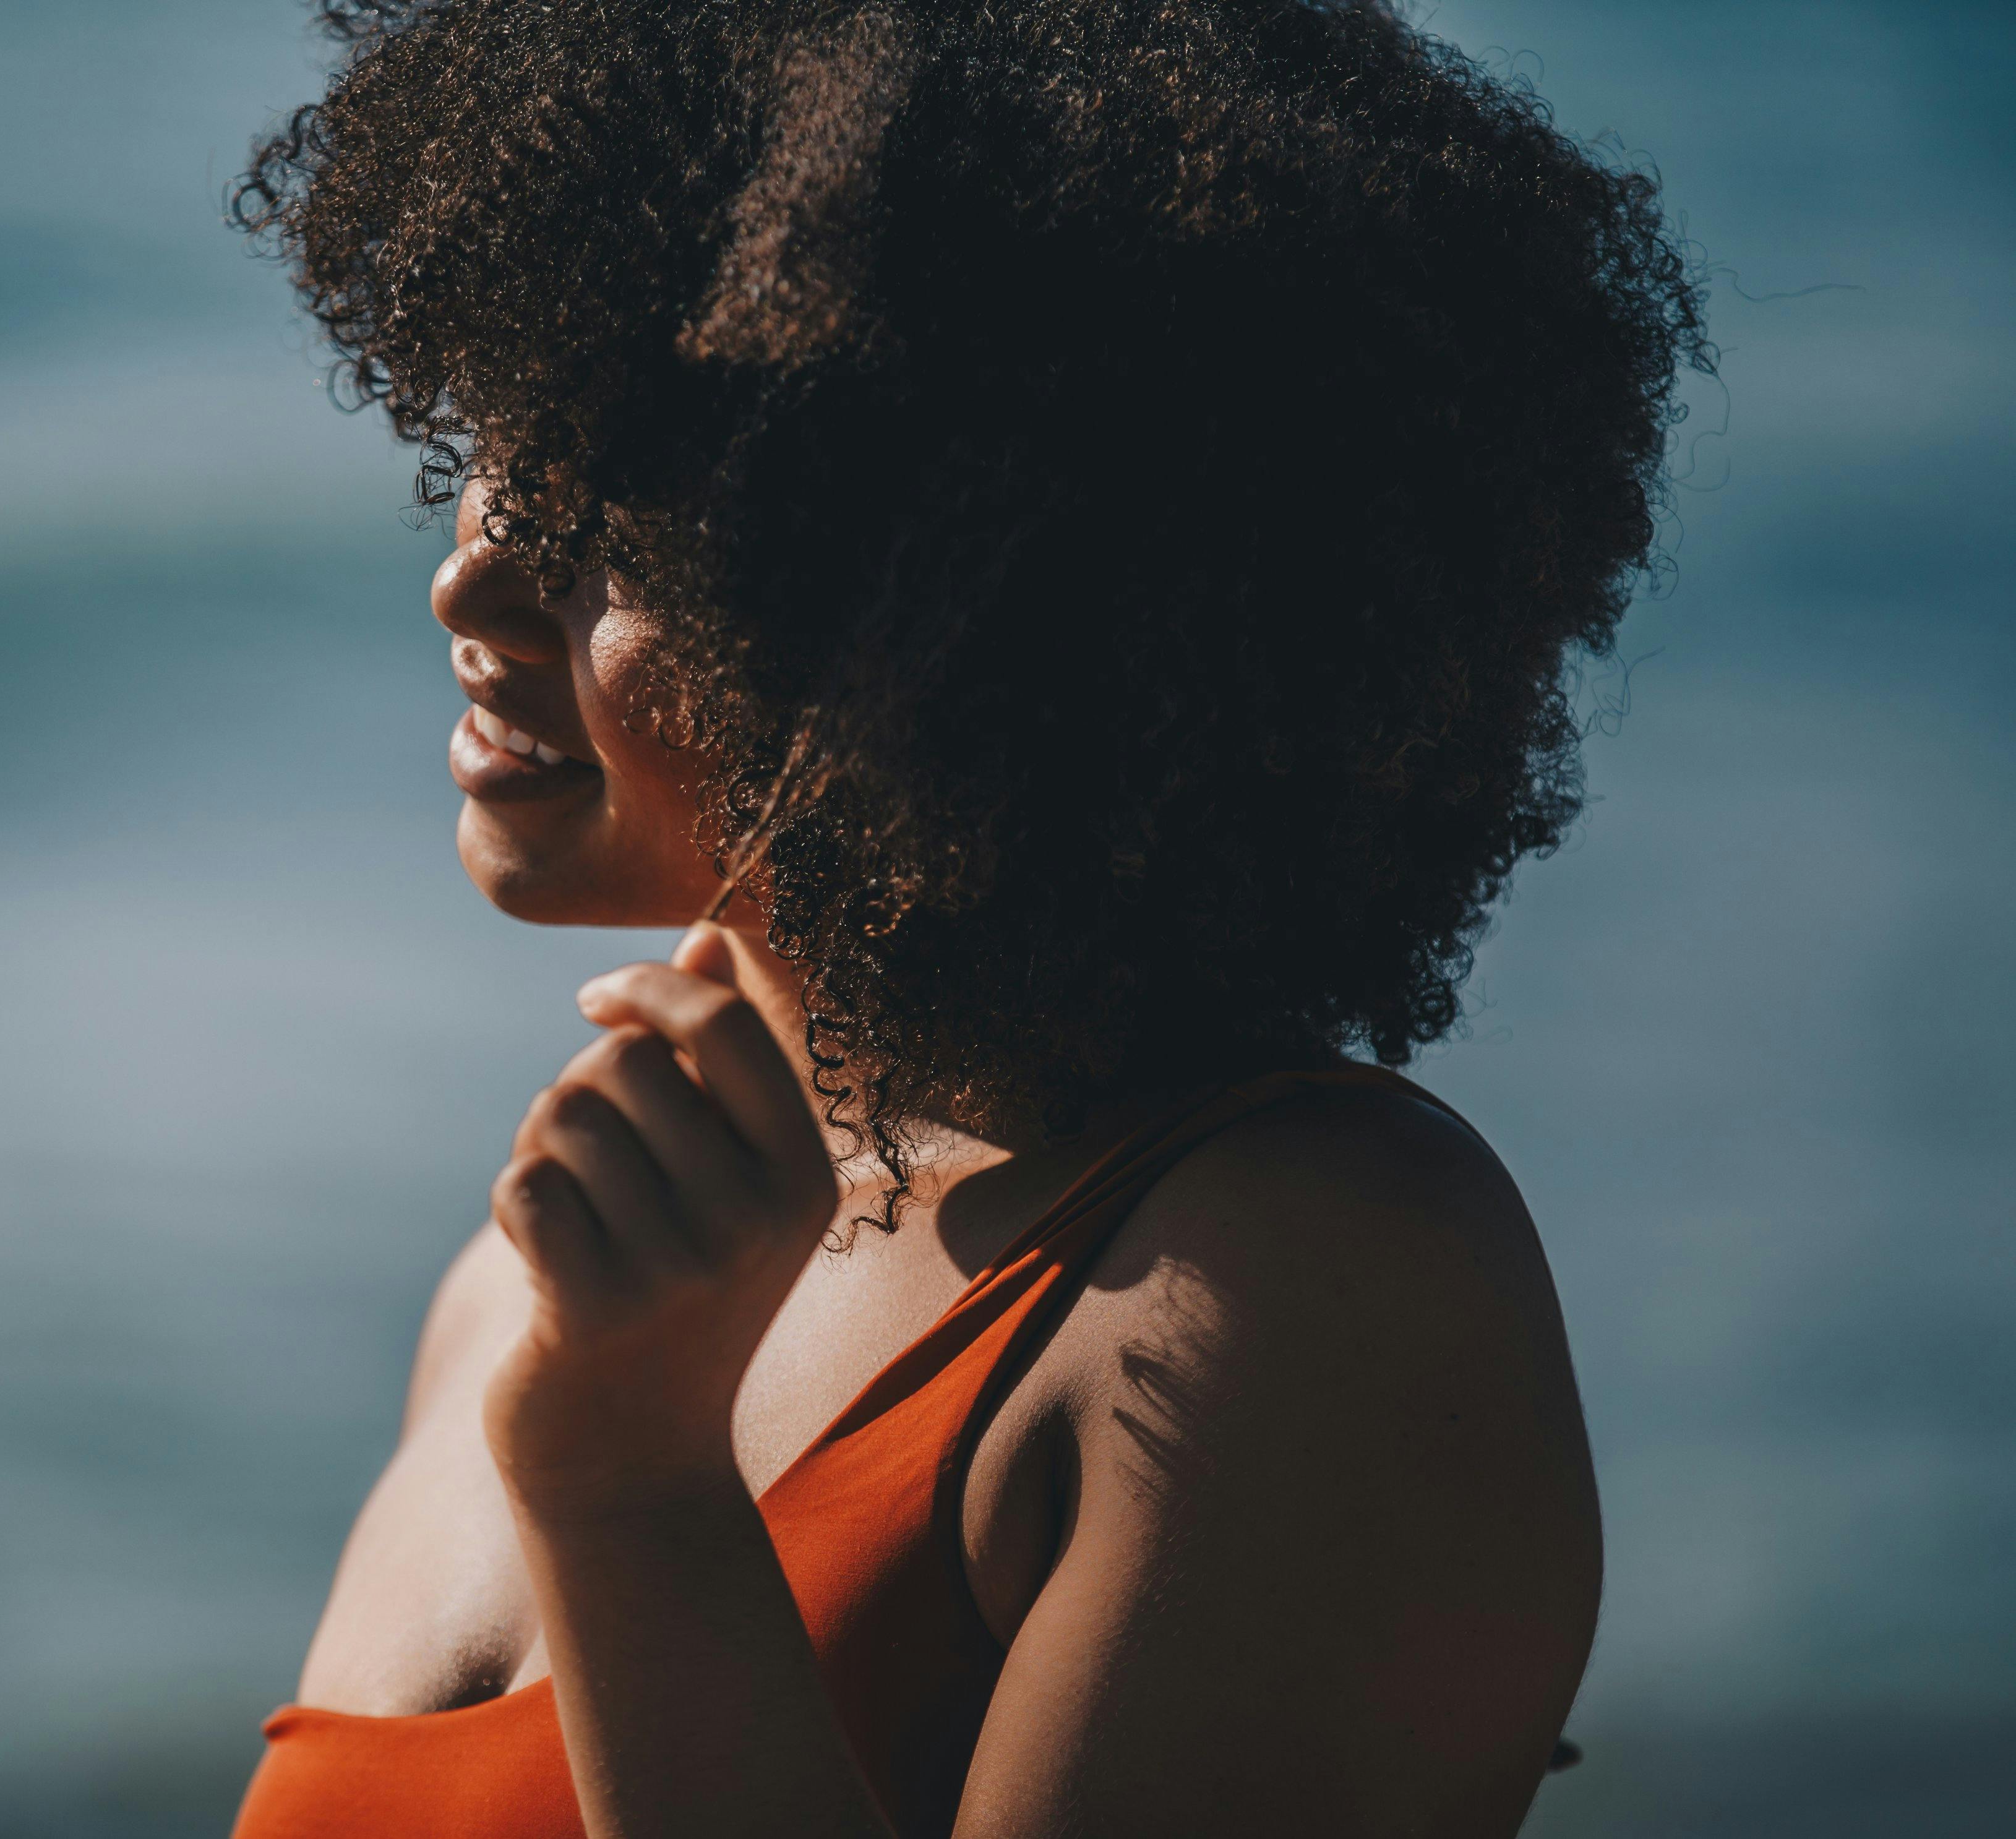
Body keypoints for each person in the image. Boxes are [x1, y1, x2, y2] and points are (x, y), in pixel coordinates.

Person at [226, 1, 1708, 1833]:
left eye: (635, 509)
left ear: (981, 616)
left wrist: (631, 1492)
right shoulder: (574, 1264)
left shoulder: (1296, 1279)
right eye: (506, 440)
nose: (476, 567)